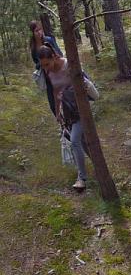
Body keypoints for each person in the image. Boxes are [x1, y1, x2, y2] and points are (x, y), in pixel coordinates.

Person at [37, 45, 95, 192]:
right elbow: (56, 91)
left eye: (47, 64)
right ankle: (98, 166)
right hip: (68, 112)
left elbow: (83, 83)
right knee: (82, 141)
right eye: (42, 66)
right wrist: (58, 112)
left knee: (75, 140)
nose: (45, 68)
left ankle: (81, 178)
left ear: (54, 57)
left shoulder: (69, 64)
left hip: (81, 108)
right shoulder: (49, 73)